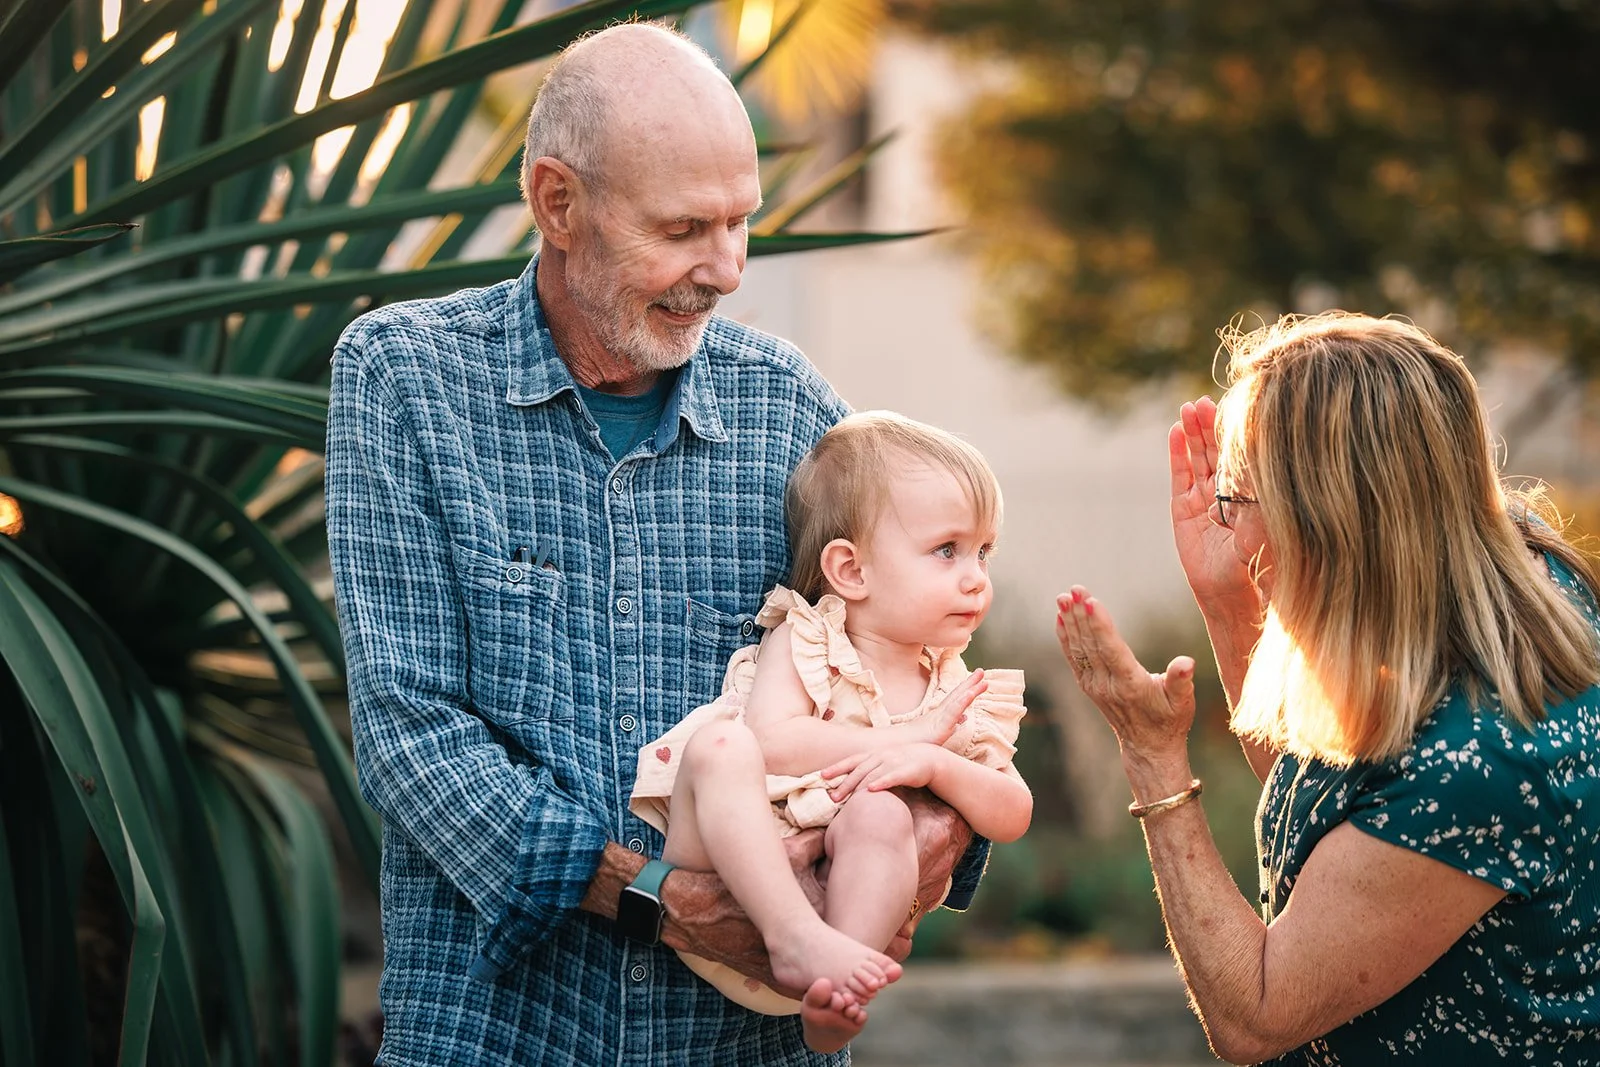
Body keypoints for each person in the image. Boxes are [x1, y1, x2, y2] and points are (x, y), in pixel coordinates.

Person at [324, 23, 986, 1067]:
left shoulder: (791, 408)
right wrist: (655, 897)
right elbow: (411, 731)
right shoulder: (404, 380)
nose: (723, 270)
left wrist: (940, 830)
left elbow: (908, 649)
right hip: (499, 1032)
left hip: (742, 1042)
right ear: (557, 202)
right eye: (683, 229)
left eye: (740, 224)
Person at [1055, 312, 1600, 1065]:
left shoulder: (1478, 765)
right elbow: (1315, 787)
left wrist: (1151, 753)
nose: (1237, 533)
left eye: (1243, 499)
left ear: (1335, 518)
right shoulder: (1505, 564)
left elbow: (1259, 1013)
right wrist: (1227, 599)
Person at [629, 411, 1034, 1052]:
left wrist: (939, 764)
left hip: (836, 933)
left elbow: (1012, 812)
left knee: (880, 818)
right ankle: (796, 936)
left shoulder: (957, 690)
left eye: (985, 552)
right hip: (722, 880)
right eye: (947, 550)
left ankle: (834, 990)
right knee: (723, 747)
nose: (976, 577)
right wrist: (908, 741)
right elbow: (775, 742)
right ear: (851, 570)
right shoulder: (810, 638)